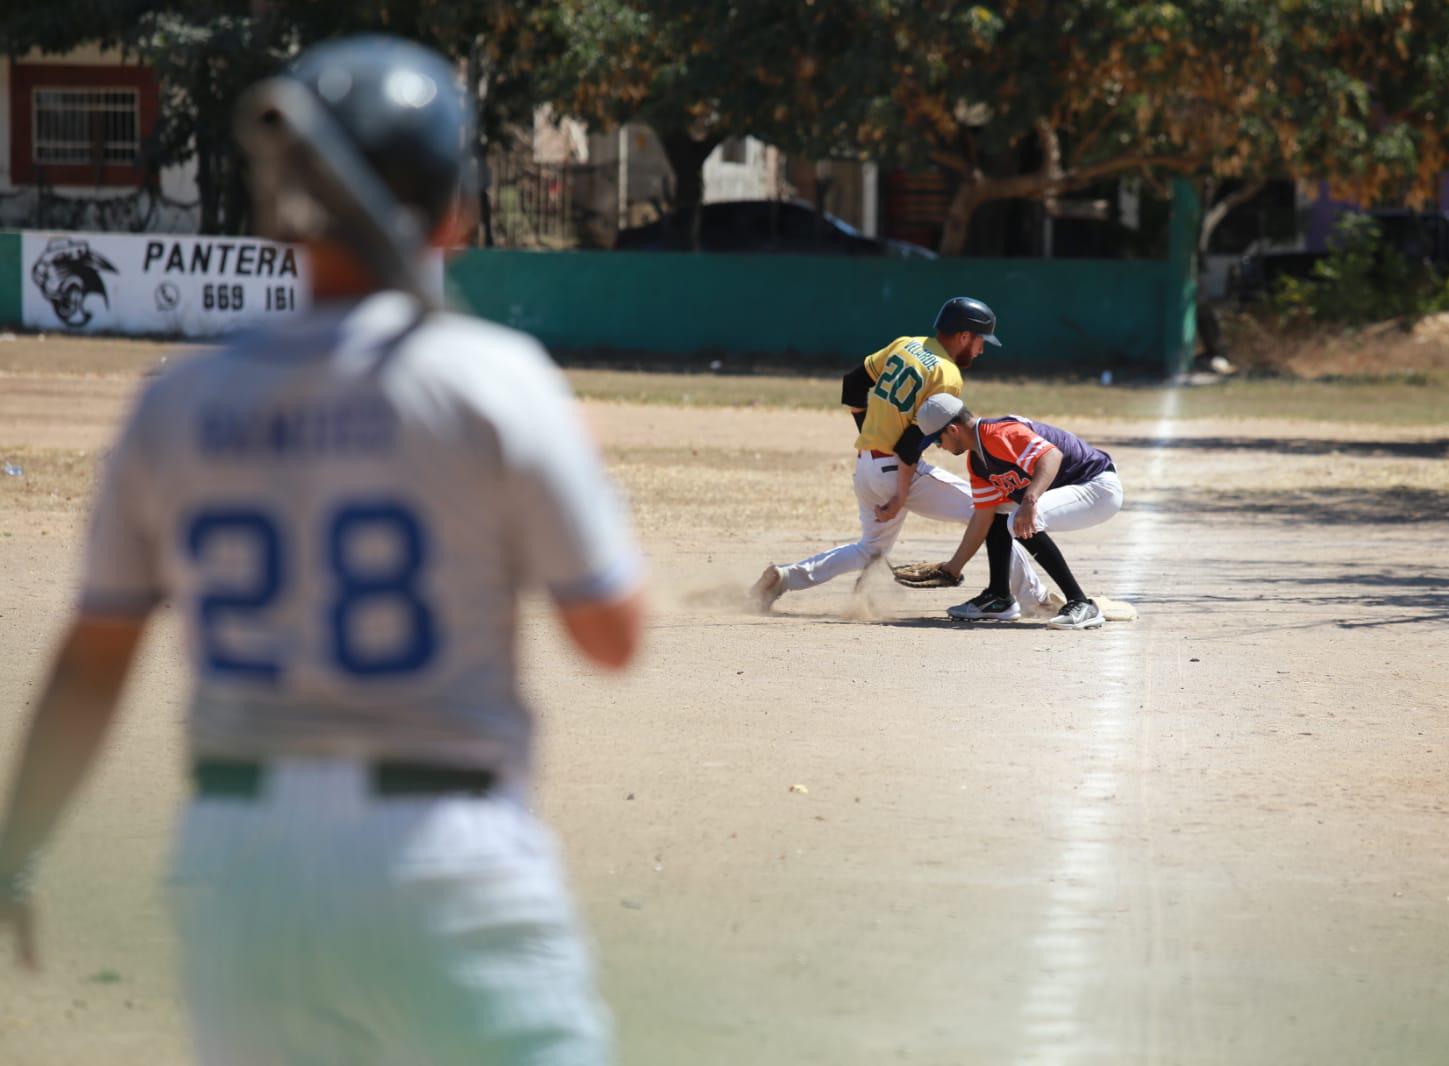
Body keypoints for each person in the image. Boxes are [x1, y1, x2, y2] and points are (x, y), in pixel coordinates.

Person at [0, 36, 643, 1064]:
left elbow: (90, 663)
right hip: (441, 852)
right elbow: (611, 636)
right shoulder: (494, 381)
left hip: (237, 865)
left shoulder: (177, 405)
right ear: (457, 211)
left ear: (274, 211)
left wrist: (16, 857)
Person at [751, 297, 1051, 613]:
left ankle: (783, 578)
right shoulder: (947, 375)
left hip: (867, 466)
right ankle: (1037, 600)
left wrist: (871, 433)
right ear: (964, 336)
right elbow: (910, 444)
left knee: (870, 549)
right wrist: (899, 495)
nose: (981, 350)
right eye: (980, 341)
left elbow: (853, 385)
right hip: (897, 471)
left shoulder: (906, 344)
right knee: (988, 513)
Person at [914, 392, 1122, 630]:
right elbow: (983, 518)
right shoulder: (977, 462)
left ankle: (1081, 603)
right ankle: (999, 597)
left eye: (937, 441)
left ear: (953, 430)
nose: (939, 448)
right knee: (998, 513)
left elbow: (1052, 457)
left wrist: (1029, 501)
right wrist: (953, 568)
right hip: (1077, 488)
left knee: (1018, 519)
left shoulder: (1000, 433)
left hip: (1097, 486)